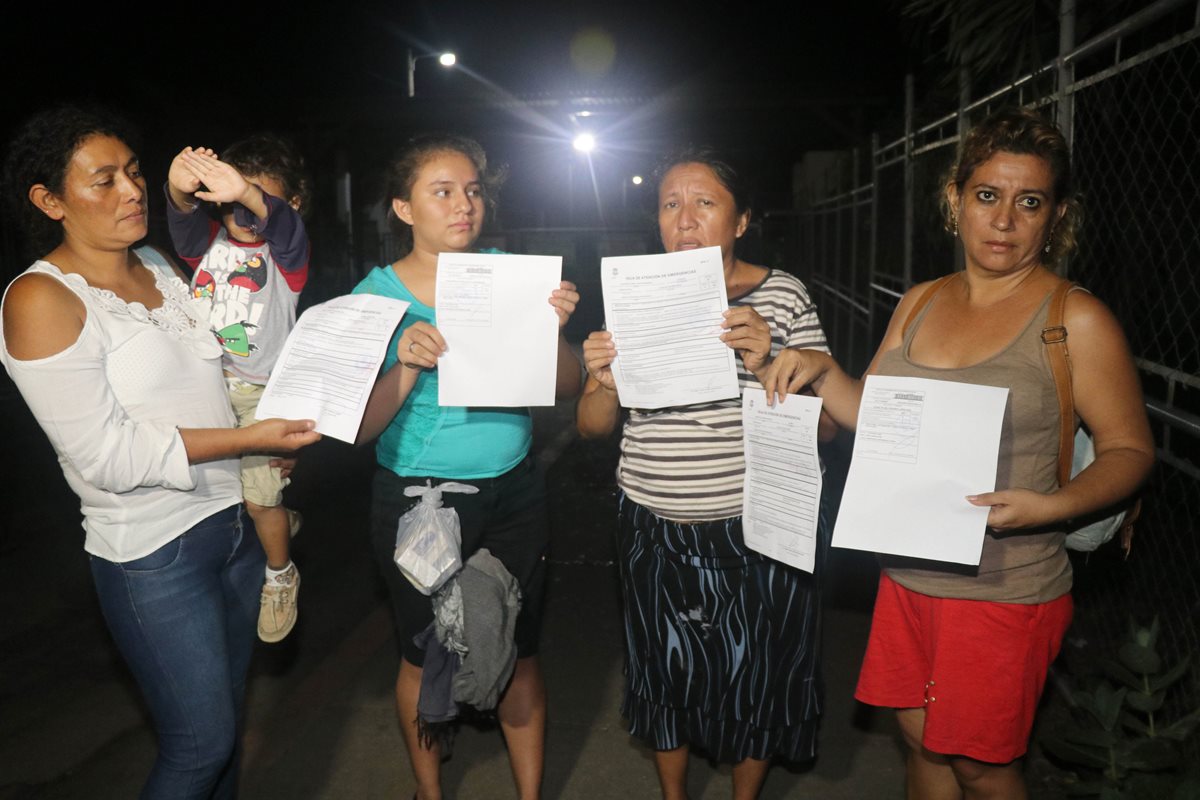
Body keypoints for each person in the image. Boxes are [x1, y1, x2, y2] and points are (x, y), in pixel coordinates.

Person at [761, 108, 1154, 799]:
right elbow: (875, 415)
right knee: (921, 745)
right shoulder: (919, 302)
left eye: (1029, 202)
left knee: (981, 766)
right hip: (907, 576)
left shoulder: (1074, 319)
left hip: (1005, 590)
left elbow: (1131, 451)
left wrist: (1050, 507)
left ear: (1056, 215)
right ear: (956, 200)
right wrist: (824, 372)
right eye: (987, 195)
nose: (1003, 220)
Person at [0, 106, 320, 799]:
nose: (132, 190)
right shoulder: (39, 299)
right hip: (154, 554)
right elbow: (107, 457)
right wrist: (251, 439)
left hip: (235, 531)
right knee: (198, 748)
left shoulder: (155, 265)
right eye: (104, 180)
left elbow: (222, 372)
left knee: (226, 733)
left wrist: (269, 439)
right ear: (50, 201)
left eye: (135, 172)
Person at [577, 147, 833, 800]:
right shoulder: (635, 296)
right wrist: (602, 380)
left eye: (705, 202)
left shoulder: (783, 296)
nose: (685, 218)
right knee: (662, 670)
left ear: (741, 220)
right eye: (671, 204)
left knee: (759, 671)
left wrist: (768, 359)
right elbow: (593, 427)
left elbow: (829, 428)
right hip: (651, 521)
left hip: (758, 527)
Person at [352, 133, 582, 800]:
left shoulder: (510, 277)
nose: (464, 205)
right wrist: (405, 365)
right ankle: (430, 792)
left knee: (518, 644)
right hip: (420, 499)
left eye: (473, 191)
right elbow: (359, 426)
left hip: (517, 491)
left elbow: (566, 385)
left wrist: (552, 331)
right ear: (403, 208)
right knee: (423, 650)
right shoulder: (376, 295)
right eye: (443, 192)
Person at [165, 134, 312, 643]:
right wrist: (178, 187)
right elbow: (181, 215)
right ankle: (277, 516)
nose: (243, 214)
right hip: (206, 388)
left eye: (254, 202)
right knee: (225, 497)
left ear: (290, 204)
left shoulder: (287, 257)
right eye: (230, 203)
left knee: (259, 503)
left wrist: (248, 194)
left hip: (261, 398)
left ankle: (280, 574)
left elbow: (283, 225)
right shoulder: (206, 248)